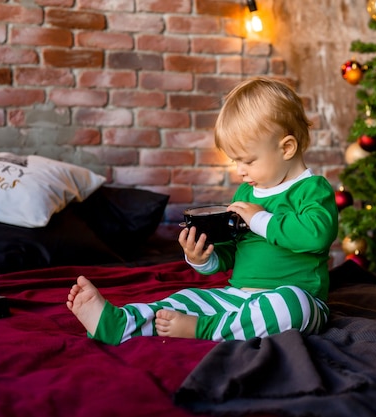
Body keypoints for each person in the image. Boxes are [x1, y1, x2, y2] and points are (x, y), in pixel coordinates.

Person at [66, 77, 339, 345]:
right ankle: (120, 324)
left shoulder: (312, 189)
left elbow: (315, 236)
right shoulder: (246, 194)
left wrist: (259, 219)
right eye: (235, 161)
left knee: (290, 308)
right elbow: (236, 250)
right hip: (238, 296)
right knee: (183, 300)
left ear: (287, 148)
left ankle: (205, 329)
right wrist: (203, 258)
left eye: (248, 160)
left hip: (297, 297)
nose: (240, 171)